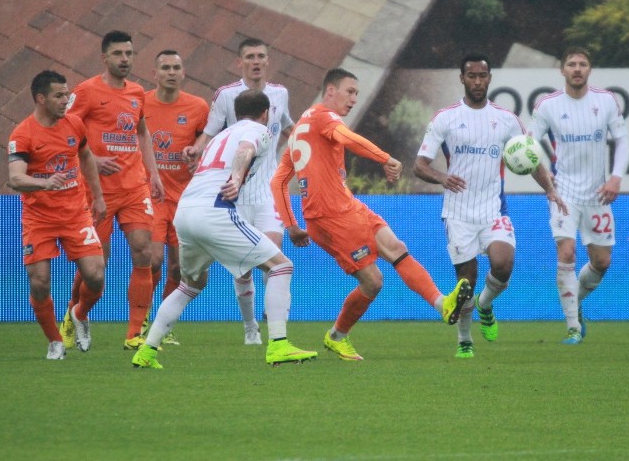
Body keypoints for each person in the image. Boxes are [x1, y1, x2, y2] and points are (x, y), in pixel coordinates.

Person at [271, 68, 473, 361]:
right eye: (349, 91)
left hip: (347, 207)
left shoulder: (302, 127)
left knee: (396, 248)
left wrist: (291, 225)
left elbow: (277, 181)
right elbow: (347, 137)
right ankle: (337, 336)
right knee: (373, 282)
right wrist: (386, 158)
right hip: (330, 217)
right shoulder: (323, 117)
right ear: (330, 90)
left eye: (357, 94)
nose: (354, 99)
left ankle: (443, 305)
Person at [133, 90, 317, 369]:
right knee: (281, 267)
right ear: (266, 114)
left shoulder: (219, 136)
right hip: (214, 211)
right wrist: (237, 176)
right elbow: (246, 149)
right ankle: (278, 345)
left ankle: (147, 351)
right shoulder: (259, 129)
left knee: (190, 284)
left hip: (185, 211)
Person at [414, 54, 565, 358]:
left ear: (490, 78)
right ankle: (464, 339)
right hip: (457, 213)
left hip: (493, 210)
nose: (478, 81)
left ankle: (485, 305)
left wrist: (550, 190)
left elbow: (530, 159)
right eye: (472, 76)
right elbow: (419, 165)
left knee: (503, 264)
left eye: (483, 76)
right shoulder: (445, 117)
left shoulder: (506, 119)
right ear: (462, 78)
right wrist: (442, 178)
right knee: (465, 283)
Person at [62, 30, 165, 350]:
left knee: (143, 250)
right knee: (98, 263)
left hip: (134, 186)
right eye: (118, 54)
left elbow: (143, 132)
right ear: (104, 58)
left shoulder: (137, 92)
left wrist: (154, 173)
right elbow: (65, 131)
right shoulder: (86, 91)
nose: (125, 59)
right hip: (97, 191)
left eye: (129, 54)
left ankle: (134, 333)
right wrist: (91, 159)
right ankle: (76, 314)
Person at [189, 38, 293, 345]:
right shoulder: (226, 95)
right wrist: (194, 151)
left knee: (274, 256)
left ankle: (278, 331)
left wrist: (311, 148)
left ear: (268, 61)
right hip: (235, 191)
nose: (256, 61)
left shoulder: (280, 94)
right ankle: (250, 327)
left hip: (269, 190)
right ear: (240, 63)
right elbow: (210, 133)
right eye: (250, 57)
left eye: (261, 56)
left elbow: (288, 127)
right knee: (244, 268)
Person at [528, 47, 629, 344]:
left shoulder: (606, 101)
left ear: (590, 69)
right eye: (571, 64)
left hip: (598, 194)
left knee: (601, 262)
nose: (577, 69)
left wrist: (615, 178)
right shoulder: (548, 105)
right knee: (567, 253)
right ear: (562, 70)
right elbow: (530, 149)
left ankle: (576, 302)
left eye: (582, 64)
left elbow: (622, 140)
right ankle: (573, 326)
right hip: (564, 194)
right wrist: (547, 184)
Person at [7, 70, 106, 359]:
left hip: (76, 214)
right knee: (39, 282)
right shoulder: (22, 134)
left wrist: (98, 197)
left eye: (67, 94)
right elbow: (15, 178)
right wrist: (44, 183)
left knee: (96, 276)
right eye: (59, 95)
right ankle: (55, 341)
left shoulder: (74, 124)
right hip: (39, 219)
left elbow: (86, 157)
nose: (66, 100)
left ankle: (79, 313)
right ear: (41, 98)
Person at [143, 49, 209, 345]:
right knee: (153, 260)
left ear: (184, 73)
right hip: (151, 196)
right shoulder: (140, 103)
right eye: (165, 67)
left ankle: (163, 323)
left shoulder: (197, 106)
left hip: (185, 199)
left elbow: (206, 139)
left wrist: (197, 149)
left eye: (176, 67)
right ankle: (141, 319)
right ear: (154, 74)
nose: (171, 72)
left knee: (179, 268)